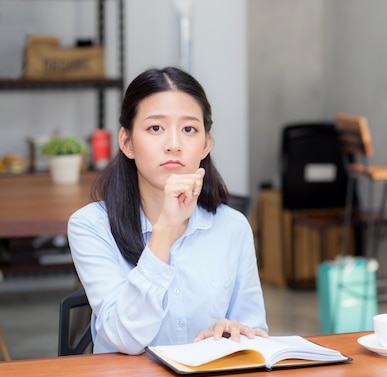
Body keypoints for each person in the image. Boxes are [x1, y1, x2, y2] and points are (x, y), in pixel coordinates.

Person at [68, 67, 268, 355]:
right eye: (155, 128)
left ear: (206, 144)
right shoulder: (91, 226)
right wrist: (164, 230)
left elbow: (255, 333)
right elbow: (124, 338)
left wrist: (233, 333)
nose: (174, 145)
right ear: (127, 142)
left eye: (189, 129)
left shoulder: (233, 227)